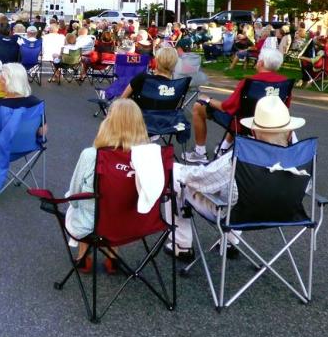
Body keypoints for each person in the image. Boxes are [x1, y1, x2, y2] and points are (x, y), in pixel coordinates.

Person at [167, 95, 305, 259]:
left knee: (176, 177)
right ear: (289, 133)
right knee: (239, 188)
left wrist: (176, 168)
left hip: (238, 215)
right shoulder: (301, 157)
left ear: (253, 130)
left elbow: (199, 178)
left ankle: (181, 244)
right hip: (285, 212)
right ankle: (230, 242)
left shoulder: (241, 157)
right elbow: (306, 185)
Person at [59, 98, 160, 273]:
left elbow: (74, 194)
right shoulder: (149, 159)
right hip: (132, 225)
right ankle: (113, 258)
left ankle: (83, 257)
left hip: (92, 225)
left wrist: (73, 204)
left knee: (80, 201)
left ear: (109, 123)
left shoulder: (92, 155)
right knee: (116, 200)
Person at [187, 46, 290, 162]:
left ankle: (200, 152)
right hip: (267, 124)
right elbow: (285, 107)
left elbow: (226, 107)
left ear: (260, 63)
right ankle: (224, 148)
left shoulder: (249, 82)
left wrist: (207, 99)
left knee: (199, 106)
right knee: (241, 110)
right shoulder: (285, 82)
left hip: (244, 124)